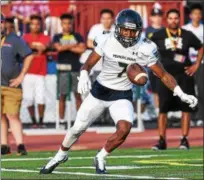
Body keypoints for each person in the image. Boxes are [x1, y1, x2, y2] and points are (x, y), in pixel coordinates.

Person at [40, 9, 197, 175]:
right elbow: (88, 63)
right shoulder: (107, 39)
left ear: (138, 31)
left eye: (132, 30)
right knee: (77, 128)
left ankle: (101, 156)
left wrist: (181, 93)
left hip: (122, 94)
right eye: (125, 29)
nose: (128, 34)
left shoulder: (144, 47)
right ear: (118, 28)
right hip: (100, 90)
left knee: (124, 128)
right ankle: (61, 154)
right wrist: (84, 72)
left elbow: (163, 74)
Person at [151, 9, 203, 150]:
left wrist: (196, 64)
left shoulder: (187, 35)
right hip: (165, 76)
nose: (173, 20)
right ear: (166, 20)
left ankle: (184, 139)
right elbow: (146, 49)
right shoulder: (158, 35)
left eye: (175, 18)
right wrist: (154, 67)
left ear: (179, 19)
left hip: (184, 75)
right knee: (163, 109)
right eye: (170, 18)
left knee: (185, 108)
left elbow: (201, 47)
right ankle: (162, 140)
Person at [1, 13, 34, 155]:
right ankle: (4, 145)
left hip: (11, 86)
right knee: (1, 116)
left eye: (1, 22)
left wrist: (21, 77)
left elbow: (29, 55)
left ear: (4, 23)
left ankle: (20, 145)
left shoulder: (14, 40)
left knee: (12, 115)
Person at [53, 13, 85, 125]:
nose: (67, 26)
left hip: (76, 68)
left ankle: (80, 121)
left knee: (77, 95)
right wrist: (73, 46)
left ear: (72, 24)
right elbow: (59, 48)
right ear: (61, 24)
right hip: (62, 69)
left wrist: (65, 47)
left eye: (69, 23)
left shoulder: (78, 36)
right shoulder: (57, 36)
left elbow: (81, 50)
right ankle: (61, 121)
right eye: (65, 23)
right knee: (62, 95)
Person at [22, 15, 50, 128]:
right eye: (33, 24)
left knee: (41, 98)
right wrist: (35, 47)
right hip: (27, 72)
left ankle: (41, 122)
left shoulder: (45, 37)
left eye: (37, 24)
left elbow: (43, 47)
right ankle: (33, 121)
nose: (35, 26)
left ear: (41, 25)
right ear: (29, 25)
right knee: (28, 99)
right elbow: (25, 47)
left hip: (40, 72)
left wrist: (32, 46)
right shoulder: (25, 37)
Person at [183, 4, 204, 126]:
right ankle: (189, 116)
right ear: (190, 15)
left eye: (199, 14)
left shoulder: (203, 29)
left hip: (201, 63)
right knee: (187, 91)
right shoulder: (185, 29)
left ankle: (200, 116)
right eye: (194, 14)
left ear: (201, 16)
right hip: (187, 63)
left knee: (201, 90)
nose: (196, 16)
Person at [146, 7, 164, 116]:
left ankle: (165, 109)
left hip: (164, 63)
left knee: (165, 86)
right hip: (152, 64)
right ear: (151, 18)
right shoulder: (148, 31)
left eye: (159, 16)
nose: (157, 18)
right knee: (155, 89)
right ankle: (158, 110)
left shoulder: (165, 30)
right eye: (154, 16)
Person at [87, 9, 115, 80]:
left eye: (108, 18)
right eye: (104, 18)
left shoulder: (116, 29)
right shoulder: (95, 28)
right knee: (97, 84)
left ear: (112, 19)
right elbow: (89, 43)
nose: (106, 21)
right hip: (98, 62)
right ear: (101, 19)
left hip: (112, 64)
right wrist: (103, 47)